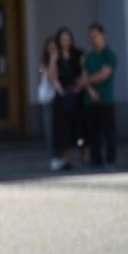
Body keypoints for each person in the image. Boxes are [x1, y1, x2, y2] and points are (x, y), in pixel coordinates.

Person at [47, 25, 86, 172]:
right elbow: (51, 76)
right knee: (63, 130)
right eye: (63, 39)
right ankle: (67, 160)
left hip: (77, 95)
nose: (66, 42)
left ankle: (85, 157)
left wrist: (79, 86)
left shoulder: (78, 54)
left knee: (80, 128)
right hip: (62, 97)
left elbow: (84, 72)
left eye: (68, 39)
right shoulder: (56, 57)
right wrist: (53, 57)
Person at [84, 23, 117, 170]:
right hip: (90, 101)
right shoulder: (89, 57)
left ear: (102, 35)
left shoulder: (109, 54)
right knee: (93, 133)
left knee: (108, 132)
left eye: (95, 36)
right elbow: (84, 75)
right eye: (90, 37)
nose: (92, 39)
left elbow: (105, 74)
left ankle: (110, 161)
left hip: (105, 99)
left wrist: (86, 81)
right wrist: (90, 89)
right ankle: (95, 160)